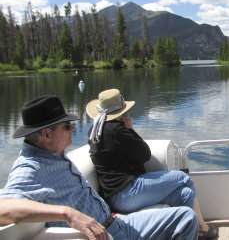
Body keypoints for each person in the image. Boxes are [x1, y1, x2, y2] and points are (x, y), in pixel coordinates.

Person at [0, 95, 199, 240]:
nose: (73, 129)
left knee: (186, 217)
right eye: (66, 126)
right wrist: (67, 214)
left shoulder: (55, 154)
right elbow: (3, 208)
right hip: (107, 234)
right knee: (183, 189)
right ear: (46, 134)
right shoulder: (30, 168)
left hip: (116, 221)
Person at [86, 89, 218, 239]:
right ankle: (202, 228)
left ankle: (188, 232)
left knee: (185, 194)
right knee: (183, 178)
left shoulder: (96, 130)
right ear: (120, 112)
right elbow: (145, 153)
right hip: (127, 193)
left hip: (118, 195)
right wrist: (131, 130)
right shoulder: (116, 131)